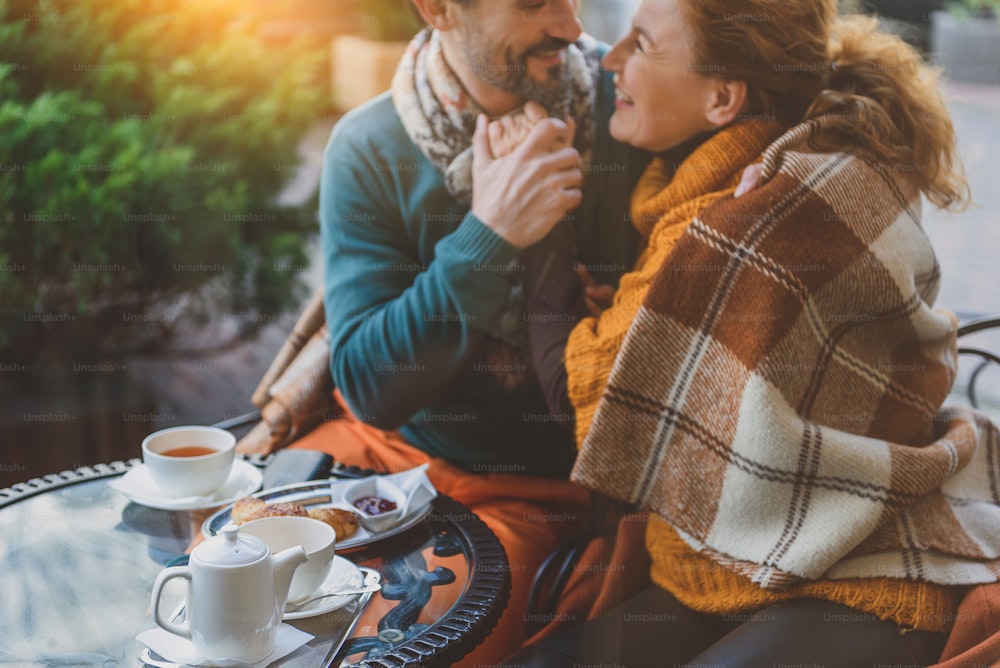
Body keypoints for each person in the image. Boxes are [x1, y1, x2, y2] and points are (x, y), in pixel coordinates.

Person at [488, 0, 1000, 665]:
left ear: (725, 96)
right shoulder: (810, 145)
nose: (611, 61)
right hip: (731, 556)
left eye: (640, 44)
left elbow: (580, 399)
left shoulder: (740, 220)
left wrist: (533, 227)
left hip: (858, 564)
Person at [287, 0, 651, 662]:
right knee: (251, 577)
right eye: (535, 3)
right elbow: (370, 387)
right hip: (391, 454)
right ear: (438, 9)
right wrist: (492, 235)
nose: (572, 28)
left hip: (541, 490)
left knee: (403, 646)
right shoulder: (367, 146)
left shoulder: (629, 101)